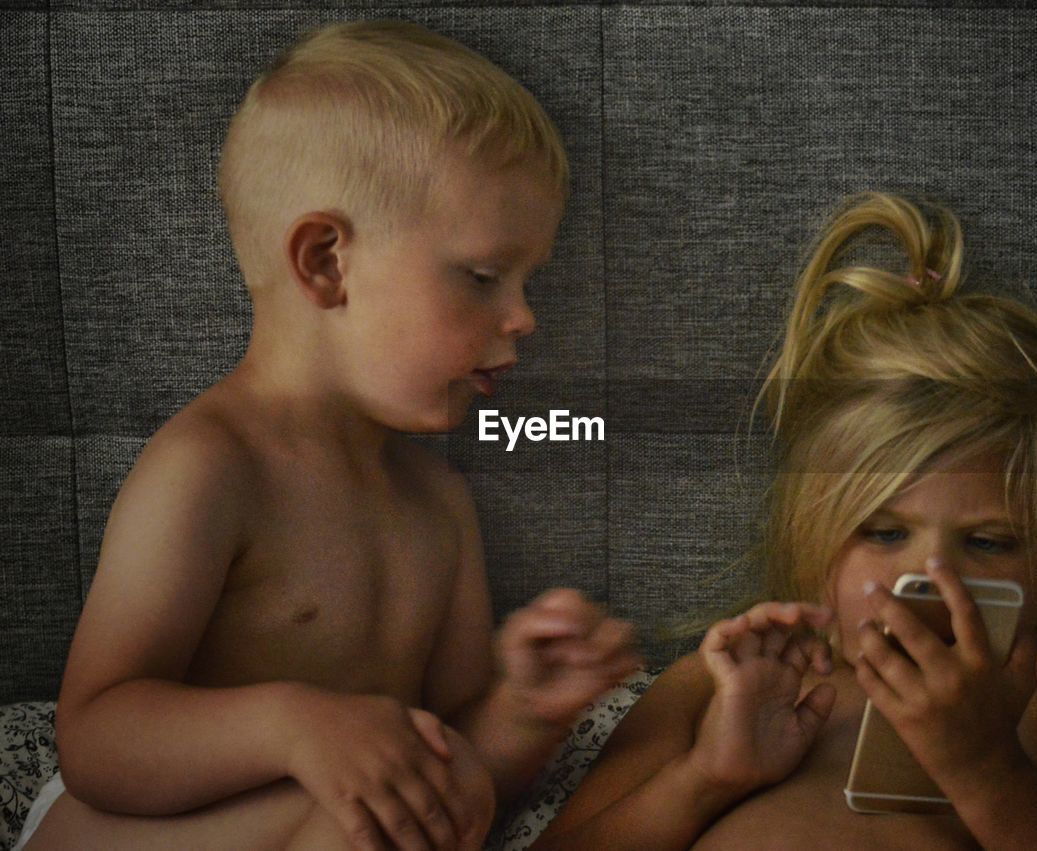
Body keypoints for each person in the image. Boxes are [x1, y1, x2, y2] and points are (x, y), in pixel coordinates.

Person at [19, 20, 639, 851]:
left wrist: (525, 709)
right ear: (325, 264)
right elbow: (96, 737)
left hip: (318, 830)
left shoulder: (436, 502)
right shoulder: (208, 468)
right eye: (484, 277)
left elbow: (455, 768)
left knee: (425, 806)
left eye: (528, 282)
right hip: (119, 827)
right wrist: (293, 727)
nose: (525, 318)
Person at [531, 192, 1037, 850]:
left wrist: (987, 770)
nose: (931, 574)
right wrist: (706, 778)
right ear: (813, 536)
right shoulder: (718, 681)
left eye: (989, 541)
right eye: (884, 532)